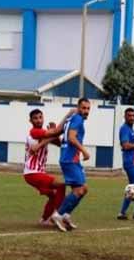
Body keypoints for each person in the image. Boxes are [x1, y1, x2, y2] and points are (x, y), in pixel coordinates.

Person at [24, 108, 76, 226]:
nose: (38, 120)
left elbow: (58, 143)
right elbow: (56, 133)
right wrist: (67, 115)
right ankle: (57, 216)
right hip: (33, 173)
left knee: (53, 195)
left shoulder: (43, 132)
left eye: (40, 117)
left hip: (35, 173)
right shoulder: (34, 132)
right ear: (30, 121)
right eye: (35, 118)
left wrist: (54, 132)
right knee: (61, 186)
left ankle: (44, 220)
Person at [50, 98, 91, 232]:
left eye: (88, 108)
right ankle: (58, 215)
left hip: (71, 159)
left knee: (83, 188)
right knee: (78, 190)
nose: (86, 111)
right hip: (69, 159)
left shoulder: (71, 118)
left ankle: (66, 215)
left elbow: (57, 131)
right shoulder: (77, 119)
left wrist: (67, 115)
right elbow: (72, 138)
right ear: (78, 108)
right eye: (83, 108)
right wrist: (84, 151)